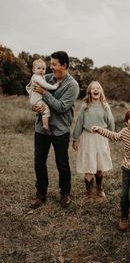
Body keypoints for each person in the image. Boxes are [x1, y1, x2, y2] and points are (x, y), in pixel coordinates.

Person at [92, 106, 130, 244]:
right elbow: (114, 136)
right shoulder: (126, 132)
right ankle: (124, 218)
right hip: (126, 169)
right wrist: (99, 130)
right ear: (127, 122)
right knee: (123, 195)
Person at [30, 51, 80, 209]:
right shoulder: (45, 78)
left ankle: (65, 194)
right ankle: (41, 194)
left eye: (54, 64)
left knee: (62, 163)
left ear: (64, 66)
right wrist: (34, 106)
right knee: (39, 162)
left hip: (60, 130)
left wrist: (44, 93)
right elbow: (33, 94)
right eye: (50, 64)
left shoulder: (72, 85)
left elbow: (61, 107)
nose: (50, 67)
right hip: (41, 128)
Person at [72, 81, 114, 200]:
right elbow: (79, 124)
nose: (95, 90)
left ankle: (100, 189)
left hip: (101, 138)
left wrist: (111, 132)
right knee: (88, 166)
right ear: (90, 92)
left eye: (98, 88)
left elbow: (111, 125)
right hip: (87, 138)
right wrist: (75, 139)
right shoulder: (85, 106)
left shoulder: (105, 107)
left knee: (99, 167)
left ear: (101, 92)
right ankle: (89, 192)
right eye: (93, 88)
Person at [26, 58, 59, 130]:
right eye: (39, 68)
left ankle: (45, 124)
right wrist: (54, 87)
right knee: (46, 110)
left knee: (43, 109)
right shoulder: (37, 78)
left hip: (35, 99)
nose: (41, 70)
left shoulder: (39, 77)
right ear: (33, 70)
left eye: (43, 69)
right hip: (36, 99)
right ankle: (45, 125)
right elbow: (45, 85)